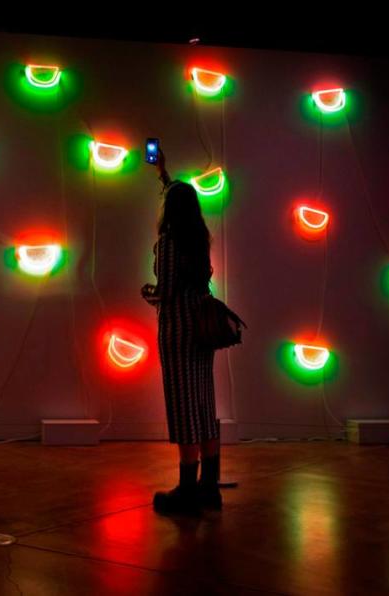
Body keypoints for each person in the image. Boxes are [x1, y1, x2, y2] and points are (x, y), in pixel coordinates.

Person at [141, 149, 221, 516]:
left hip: (177, 331)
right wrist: (163, 173)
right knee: (204, 403)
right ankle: (209, 488)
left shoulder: (169, 243)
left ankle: (187, 490)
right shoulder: (199, 239)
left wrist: (149, 293)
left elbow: (167, 291)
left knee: (183, 406)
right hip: (203, 331)